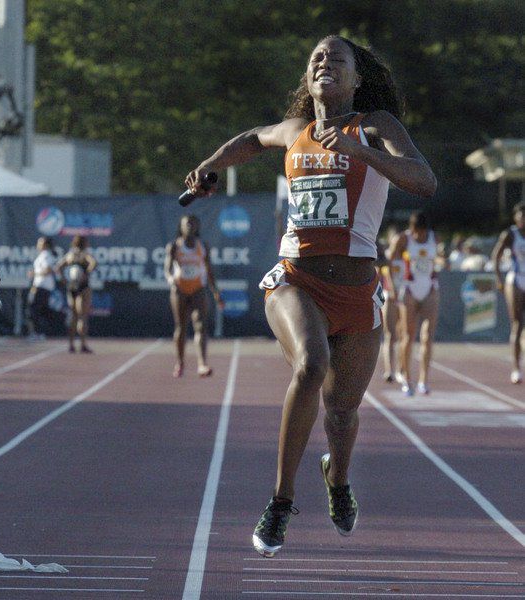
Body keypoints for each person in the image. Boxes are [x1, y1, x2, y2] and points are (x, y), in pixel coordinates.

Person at [184, 35, 436, 557]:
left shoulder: (376, 126)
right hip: (296, 278)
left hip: (358, 291)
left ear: (356, 78)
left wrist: (359, 150)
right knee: (311, 366)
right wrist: (210, 166)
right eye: (316, 58)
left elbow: (425, 181)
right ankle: (280, 502)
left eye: (336, 58)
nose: (324, 63)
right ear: (308, 76)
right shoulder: (296, 130)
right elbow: (254, 138)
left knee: (341, 417)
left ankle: (338, 481)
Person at [387, 211, 440, 396]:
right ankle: (407, 380)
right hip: (409, 288)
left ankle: (423, 381)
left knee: (427, 337)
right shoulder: (403, 239)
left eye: (422, 233)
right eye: (417, 232)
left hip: (429, 288)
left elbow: (437, 259)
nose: (420, 236)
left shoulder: (434, 238)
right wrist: (393, 286)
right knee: (408, 337)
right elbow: (390, 260)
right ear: (412, 229)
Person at [163, 214, 222, 378]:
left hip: (198, 289)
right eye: (186, 223)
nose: (190, 226)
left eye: (193, 223)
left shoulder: (203, 246)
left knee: (200, 325)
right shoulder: (174, 246)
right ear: (180, 227)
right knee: (180, 327)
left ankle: (202, 363)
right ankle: (180, 362)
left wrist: (216, 292)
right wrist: (170, 281)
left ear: (197, 227)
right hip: (180, 290)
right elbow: (167, 269)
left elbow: (209, 271)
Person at [492, 201, 525, 384]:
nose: (523, 221)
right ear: (516, 218)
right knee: (517, 324)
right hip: (516, 279)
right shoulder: (510, 235)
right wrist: (499, 280)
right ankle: (516, 368)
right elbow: (496, 256)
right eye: (521, 218)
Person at [55, 235, 97, 353]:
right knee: (82, 316)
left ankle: (71, 344)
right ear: (84, 244)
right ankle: (83, 344)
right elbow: (93, 263)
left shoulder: (70, 255)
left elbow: (58, 267)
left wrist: (64, 280)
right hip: (83, 287)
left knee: (73, 316)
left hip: (72, 286)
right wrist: (86, 274)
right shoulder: (85, 255)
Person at [378, 224, 404, 383]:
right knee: (390, 334)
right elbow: (385, 274)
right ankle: (389, 370)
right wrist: (392, 290)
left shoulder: (407, 256)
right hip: (389, 297)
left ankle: (401, 369)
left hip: (405, 297)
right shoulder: (387, 256)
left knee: (403, 335)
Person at [26, 236, 57, 339]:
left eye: (41, 243)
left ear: (46, 245)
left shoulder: (46, 255)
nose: (38, 244)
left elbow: (48, 270)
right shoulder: (43, 255)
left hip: (42, 287)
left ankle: (37, 333)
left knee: (35, 310)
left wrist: (34, 273)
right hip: (40, 286)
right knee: (38, 310)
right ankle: (39, 332)